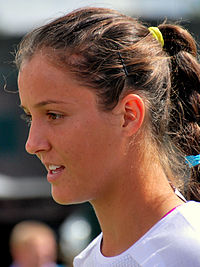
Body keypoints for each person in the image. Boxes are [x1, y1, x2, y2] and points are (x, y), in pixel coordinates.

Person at [15, 7, 200, 266]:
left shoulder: (189, 250)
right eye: (29, 117)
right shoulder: (86, 260)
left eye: (54, 115)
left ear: (128, 115)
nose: (32, 144)